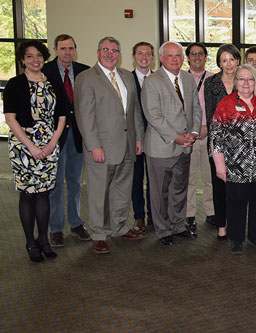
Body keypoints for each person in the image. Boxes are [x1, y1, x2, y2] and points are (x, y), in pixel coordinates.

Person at [74, 36, 146, 253]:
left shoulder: (126, 76)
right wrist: (94, 145)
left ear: (120, 54)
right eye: (105, 50)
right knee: (99, 193)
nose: (109, 54)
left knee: (122, 189)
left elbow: (133, 110)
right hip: (101, 147)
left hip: (126, 145)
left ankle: (120, 227)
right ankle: (98, 233)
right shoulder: (86, 78)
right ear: (98, 53)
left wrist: (138, 137)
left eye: (114, 51)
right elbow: (84, 116)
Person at [3, 41, 66, 262]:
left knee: (44, 193)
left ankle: (44, 240)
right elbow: (10, 119)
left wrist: (50, 144)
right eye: (29, 56)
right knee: (28, 194)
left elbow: (62, 116)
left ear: (45, 57)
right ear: (22, 60)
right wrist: (31, 146)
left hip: (50, 146)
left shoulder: (54, 83)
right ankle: (30, 242)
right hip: (23, 147)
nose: (35, 60)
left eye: (39, 55)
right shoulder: (15, 84)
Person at [141, 41, 200, 246]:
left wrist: (193, 132)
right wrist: (176, 136)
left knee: (179, 189)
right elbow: (153, 115)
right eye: (170, 56)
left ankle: (178, 225)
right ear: (161, 58)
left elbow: (195, 108)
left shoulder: (187, 78)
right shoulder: (152, 81)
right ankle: (163, 230)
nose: (175, 59)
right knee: (160, 192)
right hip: (161, 146)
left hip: (185, 146)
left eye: (178, 55)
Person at [211, 64, 256, 255]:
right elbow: (216, 137)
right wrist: (219, 165)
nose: (246, 83)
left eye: (250, 79)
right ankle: (236, 239)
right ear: (236, 81)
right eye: (242, 79)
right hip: (235, 167)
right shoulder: (225, 104)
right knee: (236, 205)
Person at [42, 34, 91, 247]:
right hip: (54, 137)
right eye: (63, 48)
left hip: (78, 136)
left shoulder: (84, 71)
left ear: (75, 50)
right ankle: (56, 228)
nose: (67, 52)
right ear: (55, 50)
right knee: (54, 184)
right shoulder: (45, 72)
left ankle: (76, 223)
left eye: (71, 48)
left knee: (74, 182)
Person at [204, 44, 241, 240]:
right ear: (219, 62)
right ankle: (221, 226)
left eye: (232, 59)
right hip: (217, 142)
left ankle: (236, 224)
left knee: (237, 188)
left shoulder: (245, 81)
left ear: (237, 60)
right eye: (224, 60)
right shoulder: (211, 83)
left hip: (241, 145)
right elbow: (210, 116)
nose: (228, 63)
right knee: (219, 186)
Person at [185, 42, 215, 231]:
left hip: (210, 136)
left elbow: (218, 107)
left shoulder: (213, 78)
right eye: (193, 54)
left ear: (206, 57)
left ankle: (211, 212)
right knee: (188, 178)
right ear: (188, 57)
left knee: (210, 177)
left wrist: (208, 126)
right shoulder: (180, 78)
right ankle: (189, 215)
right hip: (188, 136)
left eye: (201, 53)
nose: (197, 57)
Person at [130, 41, 155, 233]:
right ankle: (139, 216)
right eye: (140, 53)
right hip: (134, 138)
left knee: (155, 180)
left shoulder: (160, 79)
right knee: (136, 179)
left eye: (148, 54)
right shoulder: (125, 80)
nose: (144, 57)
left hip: (156, 137)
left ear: (153, 58)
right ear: (133, 57)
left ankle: (153, 215)